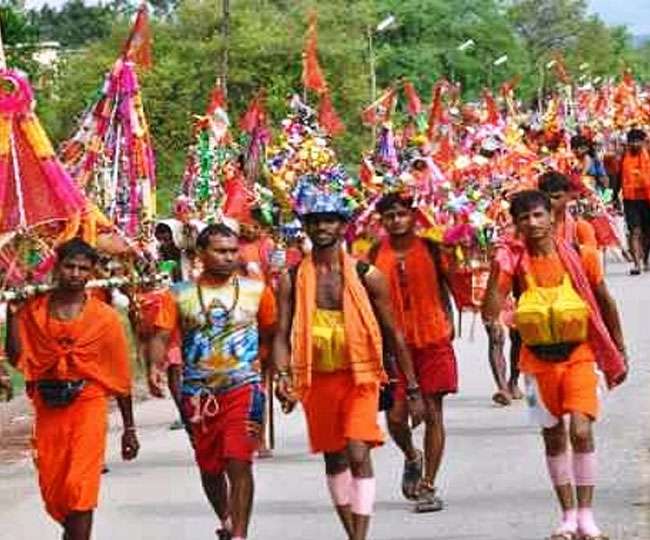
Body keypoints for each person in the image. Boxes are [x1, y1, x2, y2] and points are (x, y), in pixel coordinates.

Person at [272, 194, 424, 540]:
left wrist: (412, 389)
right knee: (334, 459)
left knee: (357, 451)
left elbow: (393, 335)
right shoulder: (292, 279)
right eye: (315, 220)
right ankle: (352, 533)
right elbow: (281, 334)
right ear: (306, 227)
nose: (322, 227)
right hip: (316, 379)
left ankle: (359, 537)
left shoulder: (366, 275)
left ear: (343, 226)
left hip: (361, 377)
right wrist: (283, 376)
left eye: (329, 220)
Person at [482, 190, 627, 540]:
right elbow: (490, 311)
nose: (531, 224)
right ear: (514, 224)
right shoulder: (514, 263)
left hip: (579, 356)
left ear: (551, 216)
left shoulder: (580, 255)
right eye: (523, 218)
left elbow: (604, 301)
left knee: (580, 431)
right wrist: (496, 266)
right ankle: (568, 517)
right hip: (535, 363)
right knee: (552, 438)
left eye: (537, 215)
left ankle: (587, 518)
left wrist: (618, 347)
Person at [149, 223, 276, 540]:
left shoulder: (256, 291)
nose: (229, 257)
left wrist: (275, 370)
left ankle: (240, 535)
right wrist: (155, 365)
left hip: (243, 388)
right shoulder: (179, 295)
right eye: (221, 251)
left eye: (233, 251)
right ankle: (227, 517)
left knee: (239, 460)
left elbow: (272, 333)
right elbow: (161, 335)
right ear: (201, 254)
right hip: (198, 395)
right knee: (209, 468)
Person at [6, 238, 139, 540]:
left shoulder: (104, 318)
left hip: (87, 405)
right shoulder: (34, 310)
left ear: (92, 273)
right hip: (48, 407)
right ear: (57, 267)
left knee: (80, 488)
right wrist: (14, 315)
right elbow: (18, 358)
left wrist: (129, 428)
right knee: (55, 491)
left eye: (83, 268)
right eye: (69, 266)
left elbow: (119, 374)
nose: (75, 274)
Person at [369, 193, 457, 511]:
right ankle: (411, 455)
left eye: (401, 214)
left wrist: (449, 318)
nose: (396, 220)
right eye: (389, 216)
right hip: (393, 346)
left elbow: (454, 282)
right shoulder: (375, 253)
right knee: (394, 417)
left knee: (433, 412)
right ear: (382, 221)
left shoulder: (433, 248)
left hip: (433, 341)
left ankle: (428, 484)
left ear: (413, 216)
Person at [539, 171, 598, 248]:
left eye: (557, 197)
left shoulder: (579, 228)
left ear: (568, 196)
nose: (551, 202)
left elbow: (591, 256)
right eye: (546, 198)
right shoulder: (535, 227)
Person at [620, 128, 650, 274]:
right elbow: (616, 178)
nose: (636, 144)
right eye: (632, 141)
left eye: (639, 141)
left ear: (644, 142)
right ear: (628, 143)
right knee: (635, 231)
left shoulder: (649, 155)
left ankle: (645, 260)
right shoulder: (622, 157)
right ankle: (637, 264)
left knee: (647, 232)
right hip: (630, 199)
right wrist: (612, 197)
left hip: (648, 199)